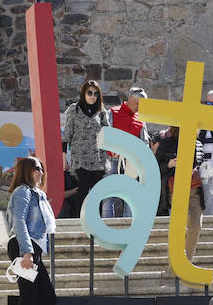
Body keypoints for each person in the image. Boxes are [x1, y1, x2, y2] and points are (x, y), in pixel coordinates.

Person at [6, 157, 58, 305]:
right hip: (23, 246)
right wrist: (27, 252)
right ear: (26, 170)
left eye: (42, 169)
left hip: (31, 247)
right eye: (37, 169)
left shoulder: (37, 194)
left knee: (47, 298)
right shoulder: (23, 191)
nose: (41, 173)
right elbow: (19, 220)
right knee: (29, 294)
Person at [62, 79, 111, 217]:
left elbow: (108, 133)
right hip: (80, 157)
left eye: (95, 93)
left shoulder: (102, 112)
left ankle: (96, 222)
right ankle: (80, 221)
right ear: (84, 93)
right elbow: (67, 134)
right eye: (89, 92)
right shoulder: (74, 109)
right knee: (83, 188)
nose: (92, 96)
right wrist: (64, 157)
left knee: (97, 191)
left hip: (98, 157)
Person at [155, 124, 205, 257]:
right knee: (180, 227)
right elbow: (154, 167)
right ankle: (177, 260)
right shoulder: (166, 143)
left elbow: (200, 165)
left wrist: (199, 170)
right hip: (175, 189)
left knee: (196, 226)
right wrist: (169, 164)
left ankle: (186, 261)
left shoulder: (198, 144)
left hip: (194, 190)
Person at [107, 87, 149, 217]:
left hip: (131, 163)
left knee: (131, 194)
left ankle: (129, 225)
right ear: (131, 99)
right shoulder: (112, 112)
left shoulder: (141, 118)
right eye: (138, 104)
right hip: (113, 160)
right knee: (109, 193)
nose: (139, 107)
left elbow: (145, 142)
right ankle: (105, 224)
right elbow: (105, 133)